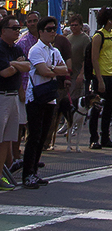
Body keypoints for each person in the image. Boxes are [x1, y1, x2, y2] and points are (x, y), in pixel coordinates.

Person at [23, 18, 68, 187]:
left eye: (54, 29)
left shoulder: (54, 51)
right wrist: (54, 70)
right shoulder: (36, 50)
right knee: (33, 136)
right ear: (41, 31)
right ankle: (27, 174)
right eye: (48, 29)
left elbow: (64, 69)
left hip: (49, 97)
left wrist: (52, 69)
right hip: (35, 98)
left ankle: (34, 171)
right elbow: (42, 71)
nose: (52, 32)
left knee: (43, 137)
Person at [0, 18, 29, 189]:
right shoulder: (0, 48)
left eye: (19, 28)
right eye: (14, 28)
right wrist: (17, 65)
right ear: (3, 30)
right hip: (1, 96)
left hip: (13, 97)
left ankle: (1, 176)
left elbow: (26, 66)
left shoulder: (17, 48)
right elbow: (4, 72)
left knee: (7, 139)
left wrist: (14, 65)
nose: (18, 31)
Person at [90, 7, 112, 149]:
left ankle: (105, 136)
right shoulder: (98, 36)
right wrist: (99, 80)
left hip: (111, 75)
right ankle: (94, 138)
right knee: (97, 108)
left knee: (109, 108)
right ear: (108, 20)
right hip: (100, 76)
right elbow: (94, 59)